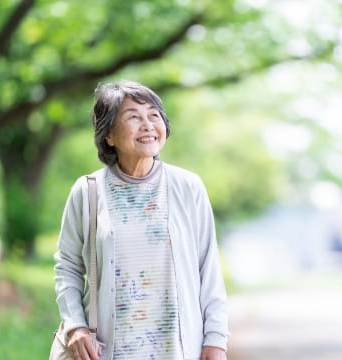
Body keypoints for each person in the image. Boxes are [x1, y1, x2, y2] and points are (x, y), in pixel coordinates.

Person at [54, 80, 229, 360]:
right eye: (133, 117)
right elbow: (67, 267)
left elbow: (208, 268)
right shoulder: (88, 191)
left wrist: (216, 340)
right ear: (109, 135)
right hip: (109, 349)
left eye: (154, 115)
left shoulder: (187, 187)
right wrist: (75, 326)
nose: (147, 124)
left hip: (178, 349)